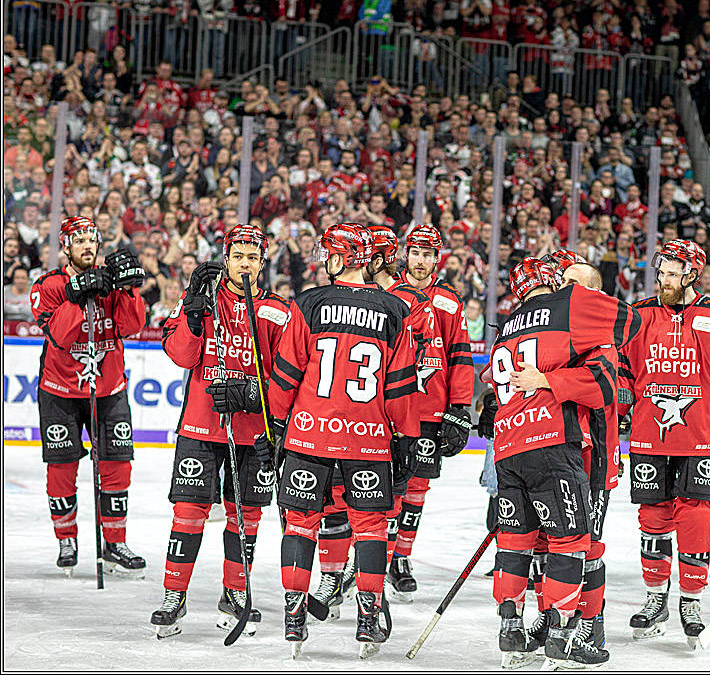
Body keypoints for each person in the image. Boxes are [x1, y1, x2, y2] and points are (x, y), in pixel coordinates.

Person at [269, 223, 420, 656]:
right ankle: (368, 619)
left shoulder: (309, 303)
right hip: (368, 437)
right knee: (371, 528)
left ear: (341, 258)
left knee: (299, 523)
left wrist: (274, 425)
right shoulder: (395, 310)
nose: (324, 259)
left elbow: (287, 374)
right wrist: (407, 437)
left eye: (329, 252)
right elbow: (400, 387)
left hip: (309, 434)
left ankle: (295, 618)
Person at [486, 257, 639, 669]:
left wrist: (549, 380)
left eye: (574, 284)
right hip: (558, 445)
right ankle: (557, 627)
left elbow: (618, 392)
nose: (565, 289)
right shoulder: (562, 321)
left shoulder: (569, 324)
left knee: (574, 545)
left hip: (588, 455)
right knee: (554, 545)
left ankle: (586, 625)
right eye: (561, 281)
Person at [150, 225, 291, 638]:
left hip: (255, 432)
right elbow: (181, 355)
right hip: (201, 423)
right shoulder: (202, 301)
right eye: (237, 256)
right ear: (225, 258)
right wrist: (193, 316)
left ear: (262, 264)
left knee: (246, 514)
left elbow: (289, 376)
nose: (244, 264)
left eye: (252, 258)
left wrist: (253, 392)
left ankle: (235, 591)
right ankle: (174, 595)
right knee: (189, 512)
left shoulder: (278, 312)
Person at [619, 240, 710, 644]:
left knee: (695, 517)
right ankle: (655, 597)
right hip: (648, 436)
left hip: (702, 439)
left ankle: (691, 600)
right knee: (653, 518)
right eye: (660, 273)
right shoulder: (638, 314)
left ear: (692, 274)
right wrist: (621, 407)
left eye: (672, 274)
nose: (663, 280)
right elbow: (622, 366)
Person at [309, 226, 436, 615]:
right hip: (344, 420)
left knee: (380, 508)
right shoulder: (342, 297)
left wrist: (416, 420)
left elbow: (425, 363)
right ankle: (333, 572)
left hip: (384, 424)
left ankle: (372, 581)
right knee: (333, 498)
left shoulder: (410, 302)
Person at [30, 216, 147, 576]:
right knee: (62, 468)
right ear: (65, 247)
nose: (86, 245)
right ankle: (67, 538)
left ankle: (115, 542)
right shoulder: (49, 285)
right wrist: (76, 296)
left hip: (108, 389)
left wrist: (128, 289)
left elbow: (133, 326)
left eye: (90, 239)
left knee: (116, 465)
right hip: (60, 391)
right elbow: (60, 336)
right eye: (77, 240)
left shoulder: (109, 280)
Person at [390, 225, 475, 599]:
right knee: (383, 489)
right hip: (391, 409)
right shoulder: (387, 294)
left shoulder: (449, 301)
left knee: (417, 490)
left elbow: (459, 357)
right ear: (405, 255)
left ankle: (401, 559)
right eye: (416, 252)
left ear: (437, 258)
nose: (421, 260)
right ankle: (374, 557)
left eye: (428, 254)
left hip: (430, 412)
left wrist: (459, 407)